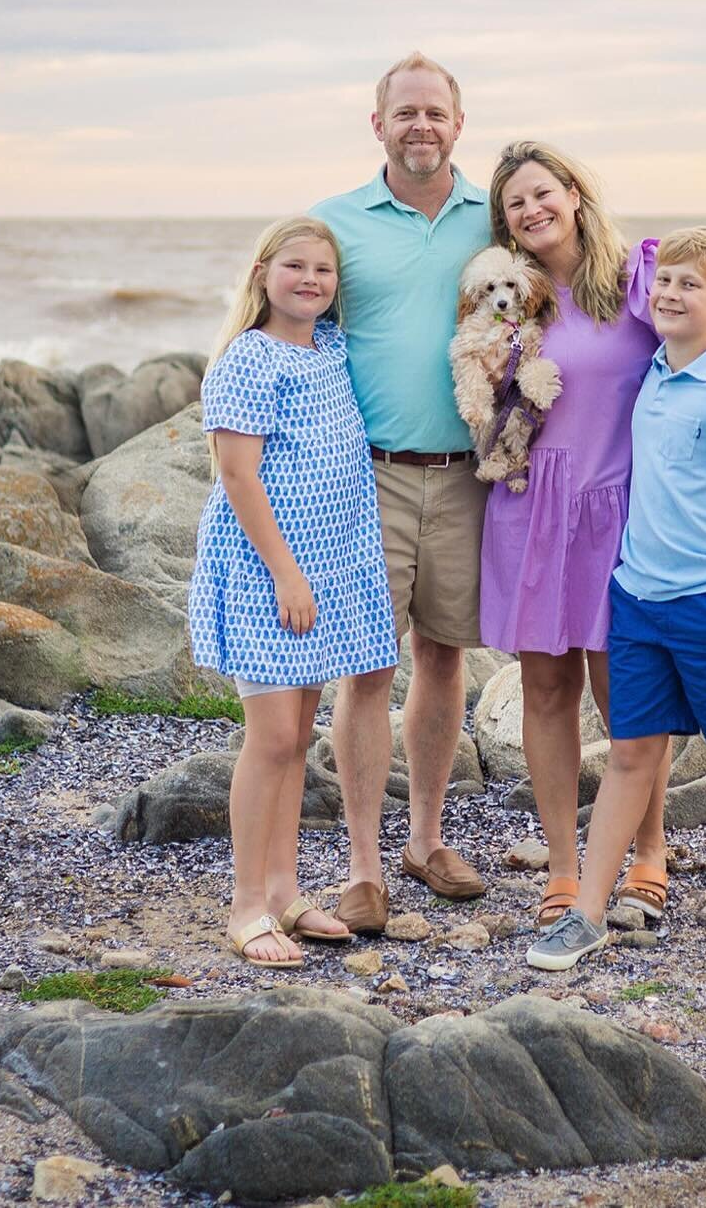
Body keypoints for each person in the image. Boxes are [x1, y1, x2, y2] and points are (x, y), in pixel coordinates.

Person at [481, 143, 706, 929]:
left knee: (627, 693)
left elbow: (705, 342)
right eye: (515, 203)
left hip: (621, 509)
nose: (531, 210)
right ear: (504, 221)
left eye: (542, 192)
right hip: (532, 508)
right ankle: (563, 864)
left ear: (574, 193)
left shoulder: (640, 276)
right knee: (546, 689)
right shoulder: (512, 297)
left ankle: (649, 849)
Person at [526, 225, 706, 973]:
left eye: (692, 286)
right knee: (630, 753)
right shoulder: (651, 371)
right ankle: (586, 913)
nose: (673, 294)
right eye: (667, 281)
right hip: (638, 600)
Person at [309, 53, 493, 933]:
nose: (421, 125)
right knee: (366, 665)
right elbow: (286, 318)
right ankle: (362, 864)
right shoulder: (336, 224)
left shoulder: (493, 217)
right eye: (405, 112)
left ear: (460, 123)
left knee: (445, 655)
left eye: (436, 112)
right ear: (376, 123)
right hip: (367, 472)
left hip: (467, 476)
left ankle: (426, 839)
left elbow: (576, 293)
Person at [187, 216, 398, 966]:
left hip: (327, 567)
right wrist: (285, 571)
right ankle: (246, 905)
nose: (311, 279)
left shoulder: (329, 350)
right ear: (262, 275)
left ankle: (284, 888)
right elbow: (237, 475)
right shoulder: (249, 360)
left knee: (297, 736)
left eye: (325, 270)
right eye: (295, 266)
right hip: (267, 569)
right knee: (272, 737)